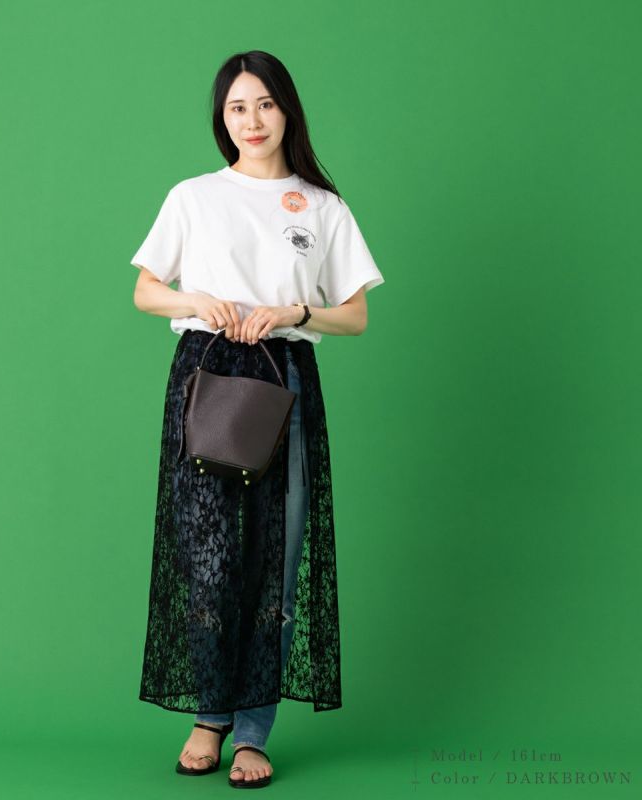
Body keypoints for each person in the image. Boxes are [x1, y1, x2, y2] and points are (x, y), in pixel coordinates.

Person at [131, 50, 385, 789]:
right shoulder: (194, 196)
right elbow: (147, 291)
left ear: (287, 111)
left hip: (284, 379)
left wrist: (295, 311)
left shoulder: (322, 207)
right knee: (207, 562)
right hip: (208, 376)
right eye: (237, 107)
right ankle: (209, 716)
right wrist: (195, 300)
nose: (252, 120)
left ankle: (252, 732)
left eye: (265, 104)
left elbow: (356, 315)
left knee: (276, 562)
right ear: (223, 118)